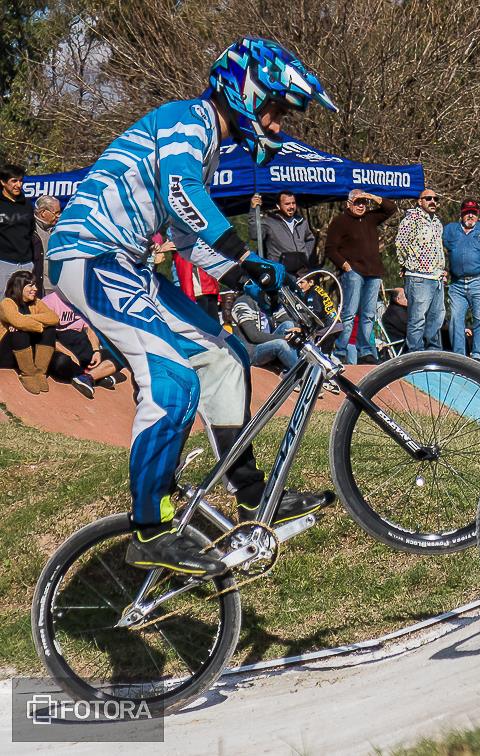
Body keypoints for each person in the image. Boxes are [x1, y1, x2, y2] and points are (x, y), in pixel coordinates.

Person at [46, 37, 337, 575]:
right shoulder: (189, 121)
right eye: (276, 110)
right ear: (246, 93)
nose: (277, 125)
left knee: (225, 358)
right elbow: (181, 193)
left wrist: (248, 280)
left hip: (127, 263)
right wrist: (246, 256)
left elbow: (185, 235)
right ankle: (149, 527)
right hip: (90, 256)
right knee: (174, 382)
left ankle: (252, 497)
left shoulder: (204, 140)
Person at [325, 188, 397, 364]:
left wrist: (371, 196)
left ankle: (365, 351)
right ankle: (340, 350)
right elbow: (330, 249)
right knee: (349, 313)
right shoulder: (340, 222)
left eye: (363, 202)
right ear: (348, 204)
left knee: (369, 314)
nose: (361, 206)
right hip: (354, 272)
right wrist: (345, 266)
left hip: (374, 272)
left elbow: (391, 208)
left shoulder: (371, 218)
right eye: (357, 202)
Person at [443, 199, 480, 363]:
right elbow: (440, 248)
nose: (470, 215)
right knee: (455, 319)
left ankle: (478, 356)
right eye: (467, 212)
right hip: (456, 283)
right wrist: (442, 268)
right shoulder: (450, 230)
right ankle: (459, 357)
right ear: (461, 214)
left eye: (474, 212)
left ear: (478, 214)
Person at [41, 288, 128, 397]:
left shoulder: (82, 302)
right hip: (58, 344)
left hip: (78, 342)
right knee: (61, 362)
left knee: (121, 355)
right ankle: (96, 376)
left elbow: (90, 329)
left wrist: (96, 350)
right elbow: (46, 337)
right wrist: (70, 354)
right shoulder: (50, 301)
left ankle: (87, 378)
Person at [395, 188, 446, 352]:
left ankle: (434, 354)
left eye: (435, 199)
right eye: (428, 198)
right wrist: (406, 264)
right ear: (420, 201)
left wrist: (441, 269)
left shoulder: (437, 222)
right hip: (418, 277)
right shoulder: (411, 219)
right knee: (417, 319)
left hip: (437, 278)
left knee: (436, 319)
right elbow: (400, 244)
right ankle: (415, 355)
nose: (433, 202)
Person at [0, 270, 58, 393]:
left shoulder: (36, 303)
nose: (35, 289)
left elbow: (54, 318)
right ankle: (28, 375)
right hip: (6, 352)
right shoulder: (7, 303)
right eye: (30, 285)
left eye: (35, 285)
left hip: (27, 352)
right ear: (19, 287)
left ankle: (40, 373)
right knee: (19, 330)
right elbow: (18, 322)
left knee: (50, 330)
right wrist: (40, 326)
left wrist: (27, 318)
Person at [231, 289, 300, 372]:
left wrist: (298, 328)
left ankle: (294, 364)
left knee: (288, 325)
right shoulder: (242, 303)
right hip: (250, 352)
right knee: (280, 344)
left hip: (264, 344)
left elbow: (284, 318)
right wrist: (284, 337)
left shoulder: (265, 300)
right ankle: (300, 374)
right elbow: (254, 336)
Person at [255, 190, 316, 276]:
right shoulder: (268, 222)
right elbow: (254, 235)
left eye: (293, 203)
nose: (291, 206)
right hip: (281, 273)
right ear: (278, 206)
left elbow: (310, 239)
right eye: (287, 204)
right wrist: (253, 211)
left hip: (301, 273)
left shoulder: (302, 221)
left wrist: (305, 255)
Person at [0, 164, 34, 288]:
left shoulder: (27, 204)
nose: (18, 185)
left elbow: (30, 231)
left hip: (26, 263)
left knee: (24, 303)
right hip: (4, 262)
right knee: (4, 304)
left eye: (20, 181)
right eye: (14, 181)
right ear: (3, 182)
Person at [173, 250, 221, 321]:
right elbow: (186, 276)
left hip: (202, 292)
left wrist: (189, 299)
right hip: (205, 292)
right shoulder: (197, 249)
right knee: (210, 323)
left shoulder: (186, 251)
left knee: (206, 325)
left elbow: (186, 277)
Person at [31, 195, 62, 292]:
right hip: (38, 287)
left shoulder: (59, 228)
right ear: (43, 213)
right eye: (56, 213)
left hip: (56, 286)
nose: (59, 216)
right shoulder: (28, 229)